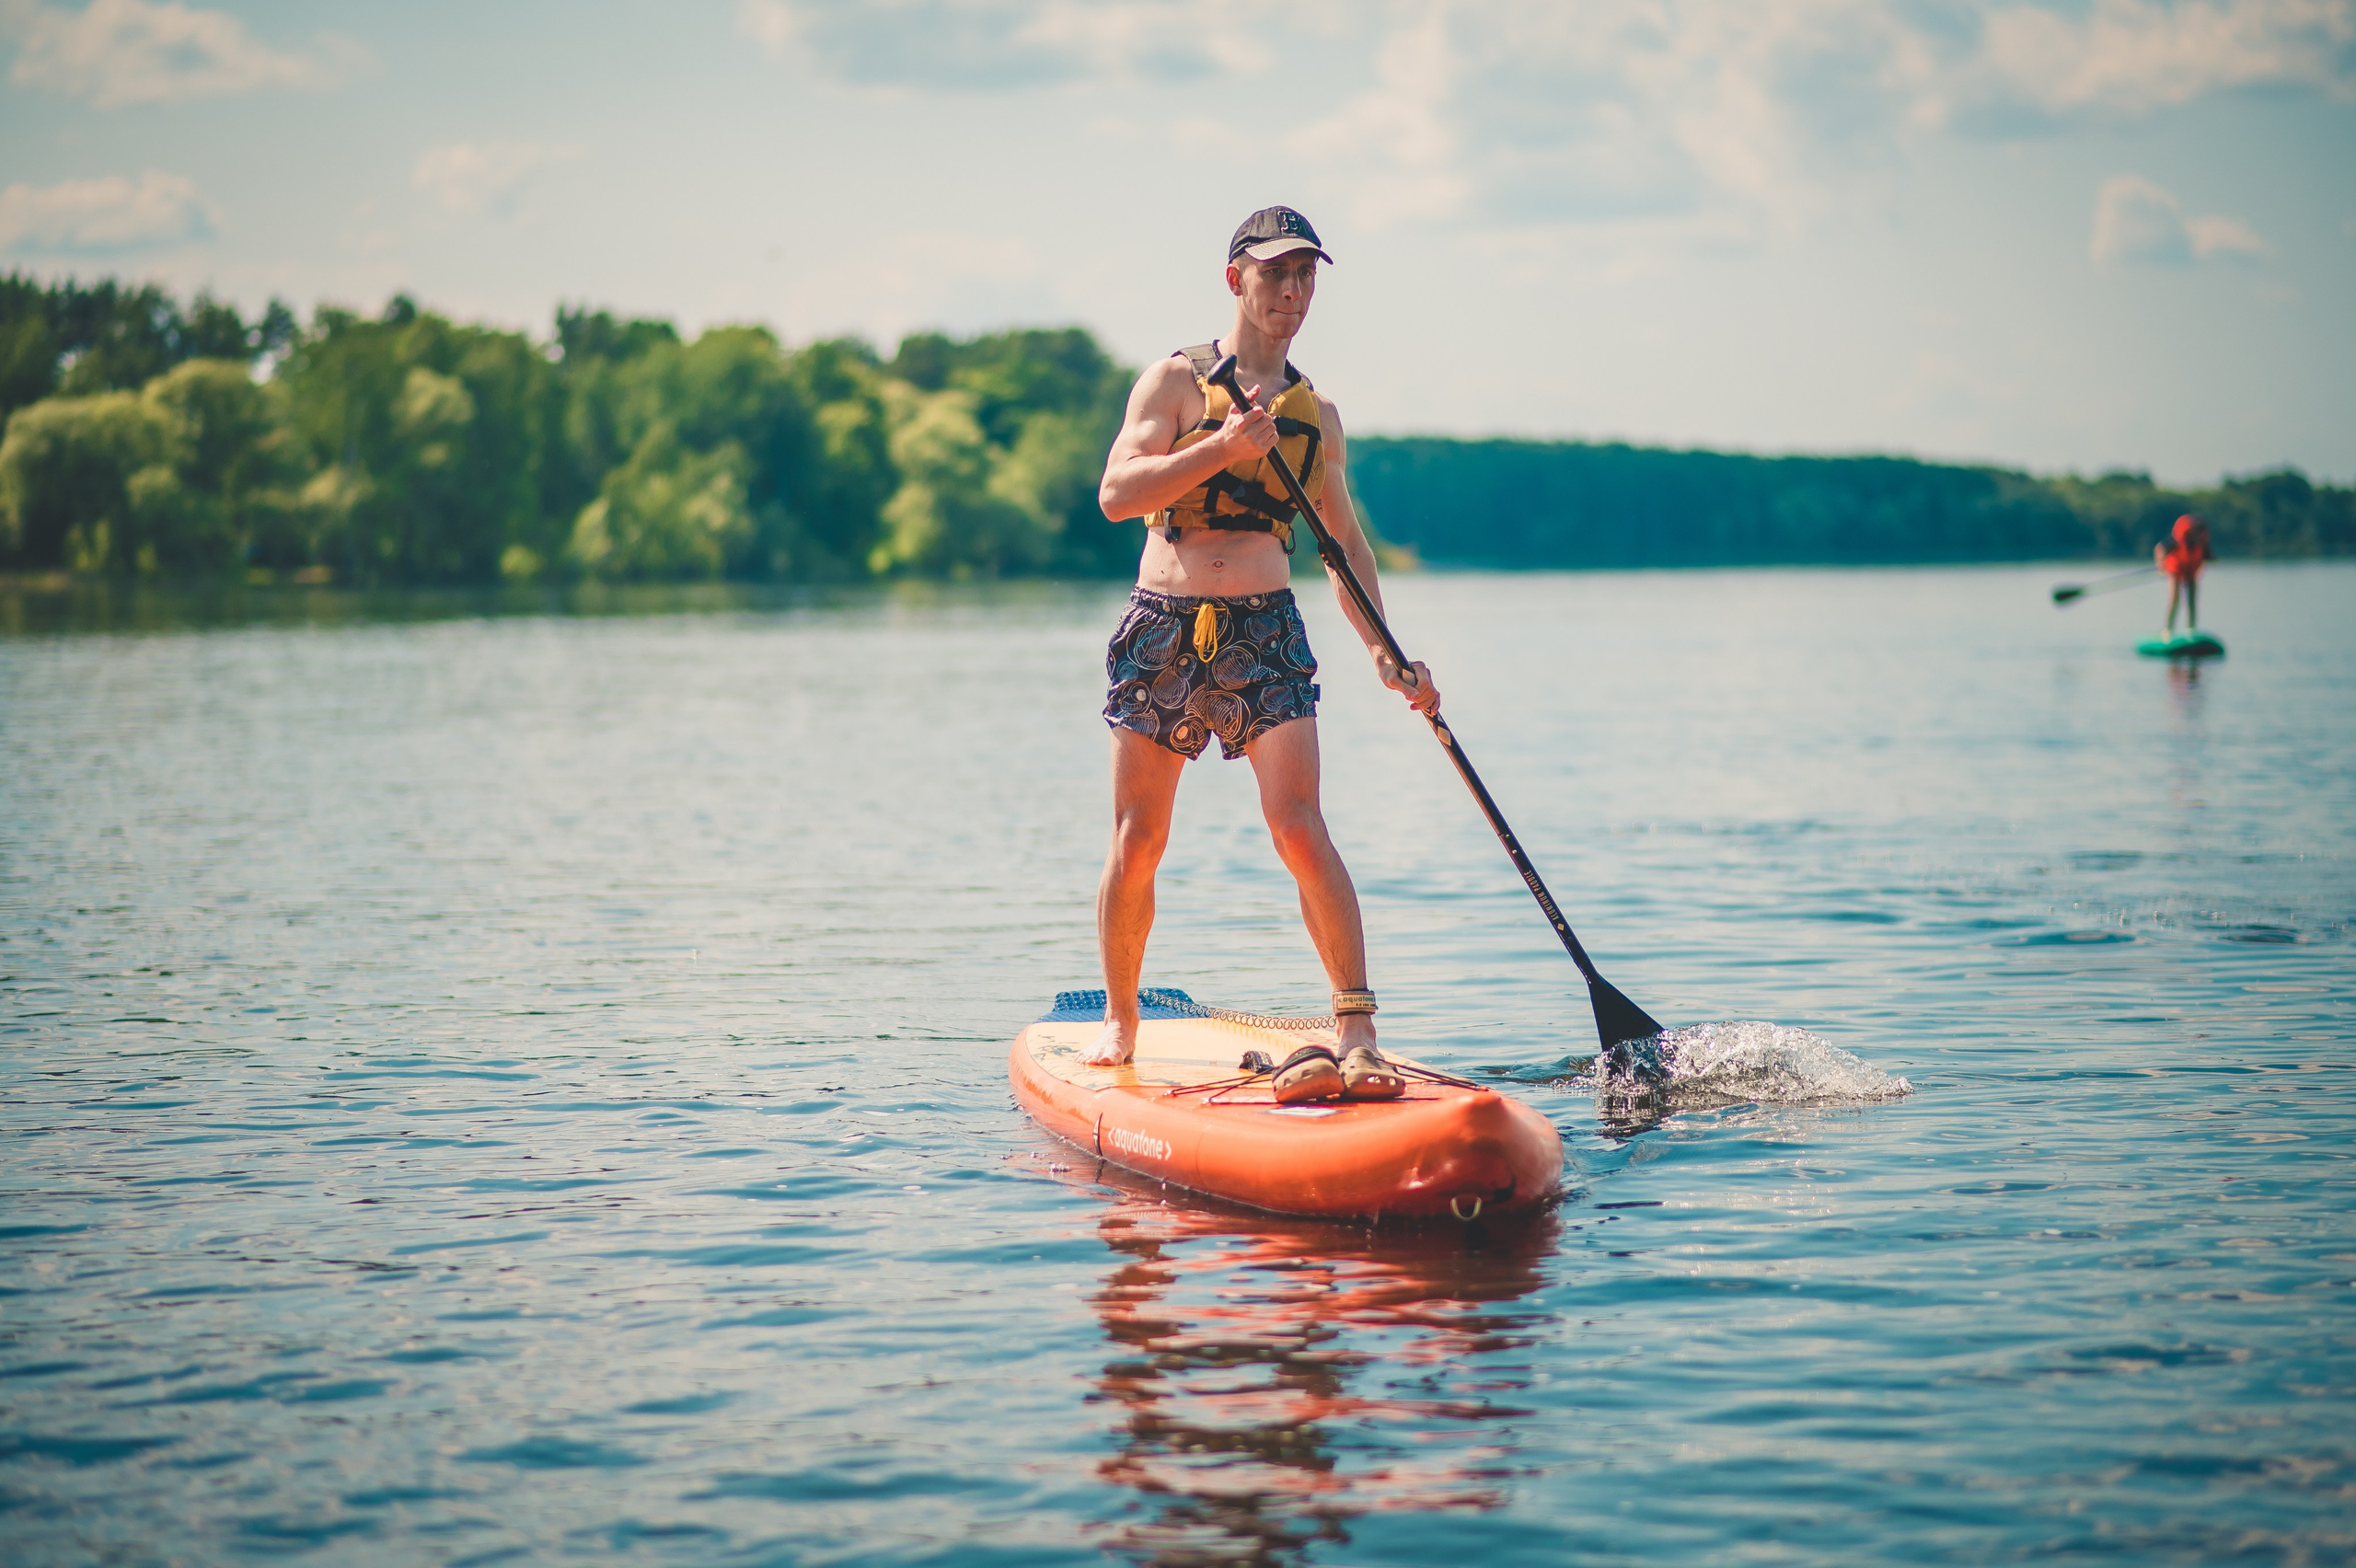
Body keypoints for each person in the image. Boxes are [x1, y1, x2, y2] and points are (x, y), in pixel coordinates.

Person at [1083, 205, 1438, 1104]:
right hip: (1164, 626)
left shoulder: (1314, 414)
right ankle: (1121, 1017)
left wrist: (1388, 656)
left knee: (1298, 824)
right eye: (1275, 273)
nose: (1292, 291)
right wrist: (1219, 447)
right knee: (1141, 841)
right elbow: (1117, 496)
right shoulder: (1170, 385)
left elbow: (1343, 546)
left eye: (1305, 275)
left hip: (1264, 628)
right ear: (1235, 278)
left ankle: (1355, 1030)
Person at [2155, 513, 2212, 636]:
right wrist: (2161, 566)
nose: (2200, 537)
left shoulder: (2202, 542)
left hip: (2190, 571)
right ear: (2193, 532)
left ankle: (2191, 630)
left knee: (2192, 601)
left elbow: (2206, 557)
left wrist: (2201, 569)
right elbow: (2160, 548)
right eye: (2198, 534)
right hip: (2175, 569)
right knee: (2175, 599)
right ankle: (2168, 630)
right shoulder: (2177, 539)